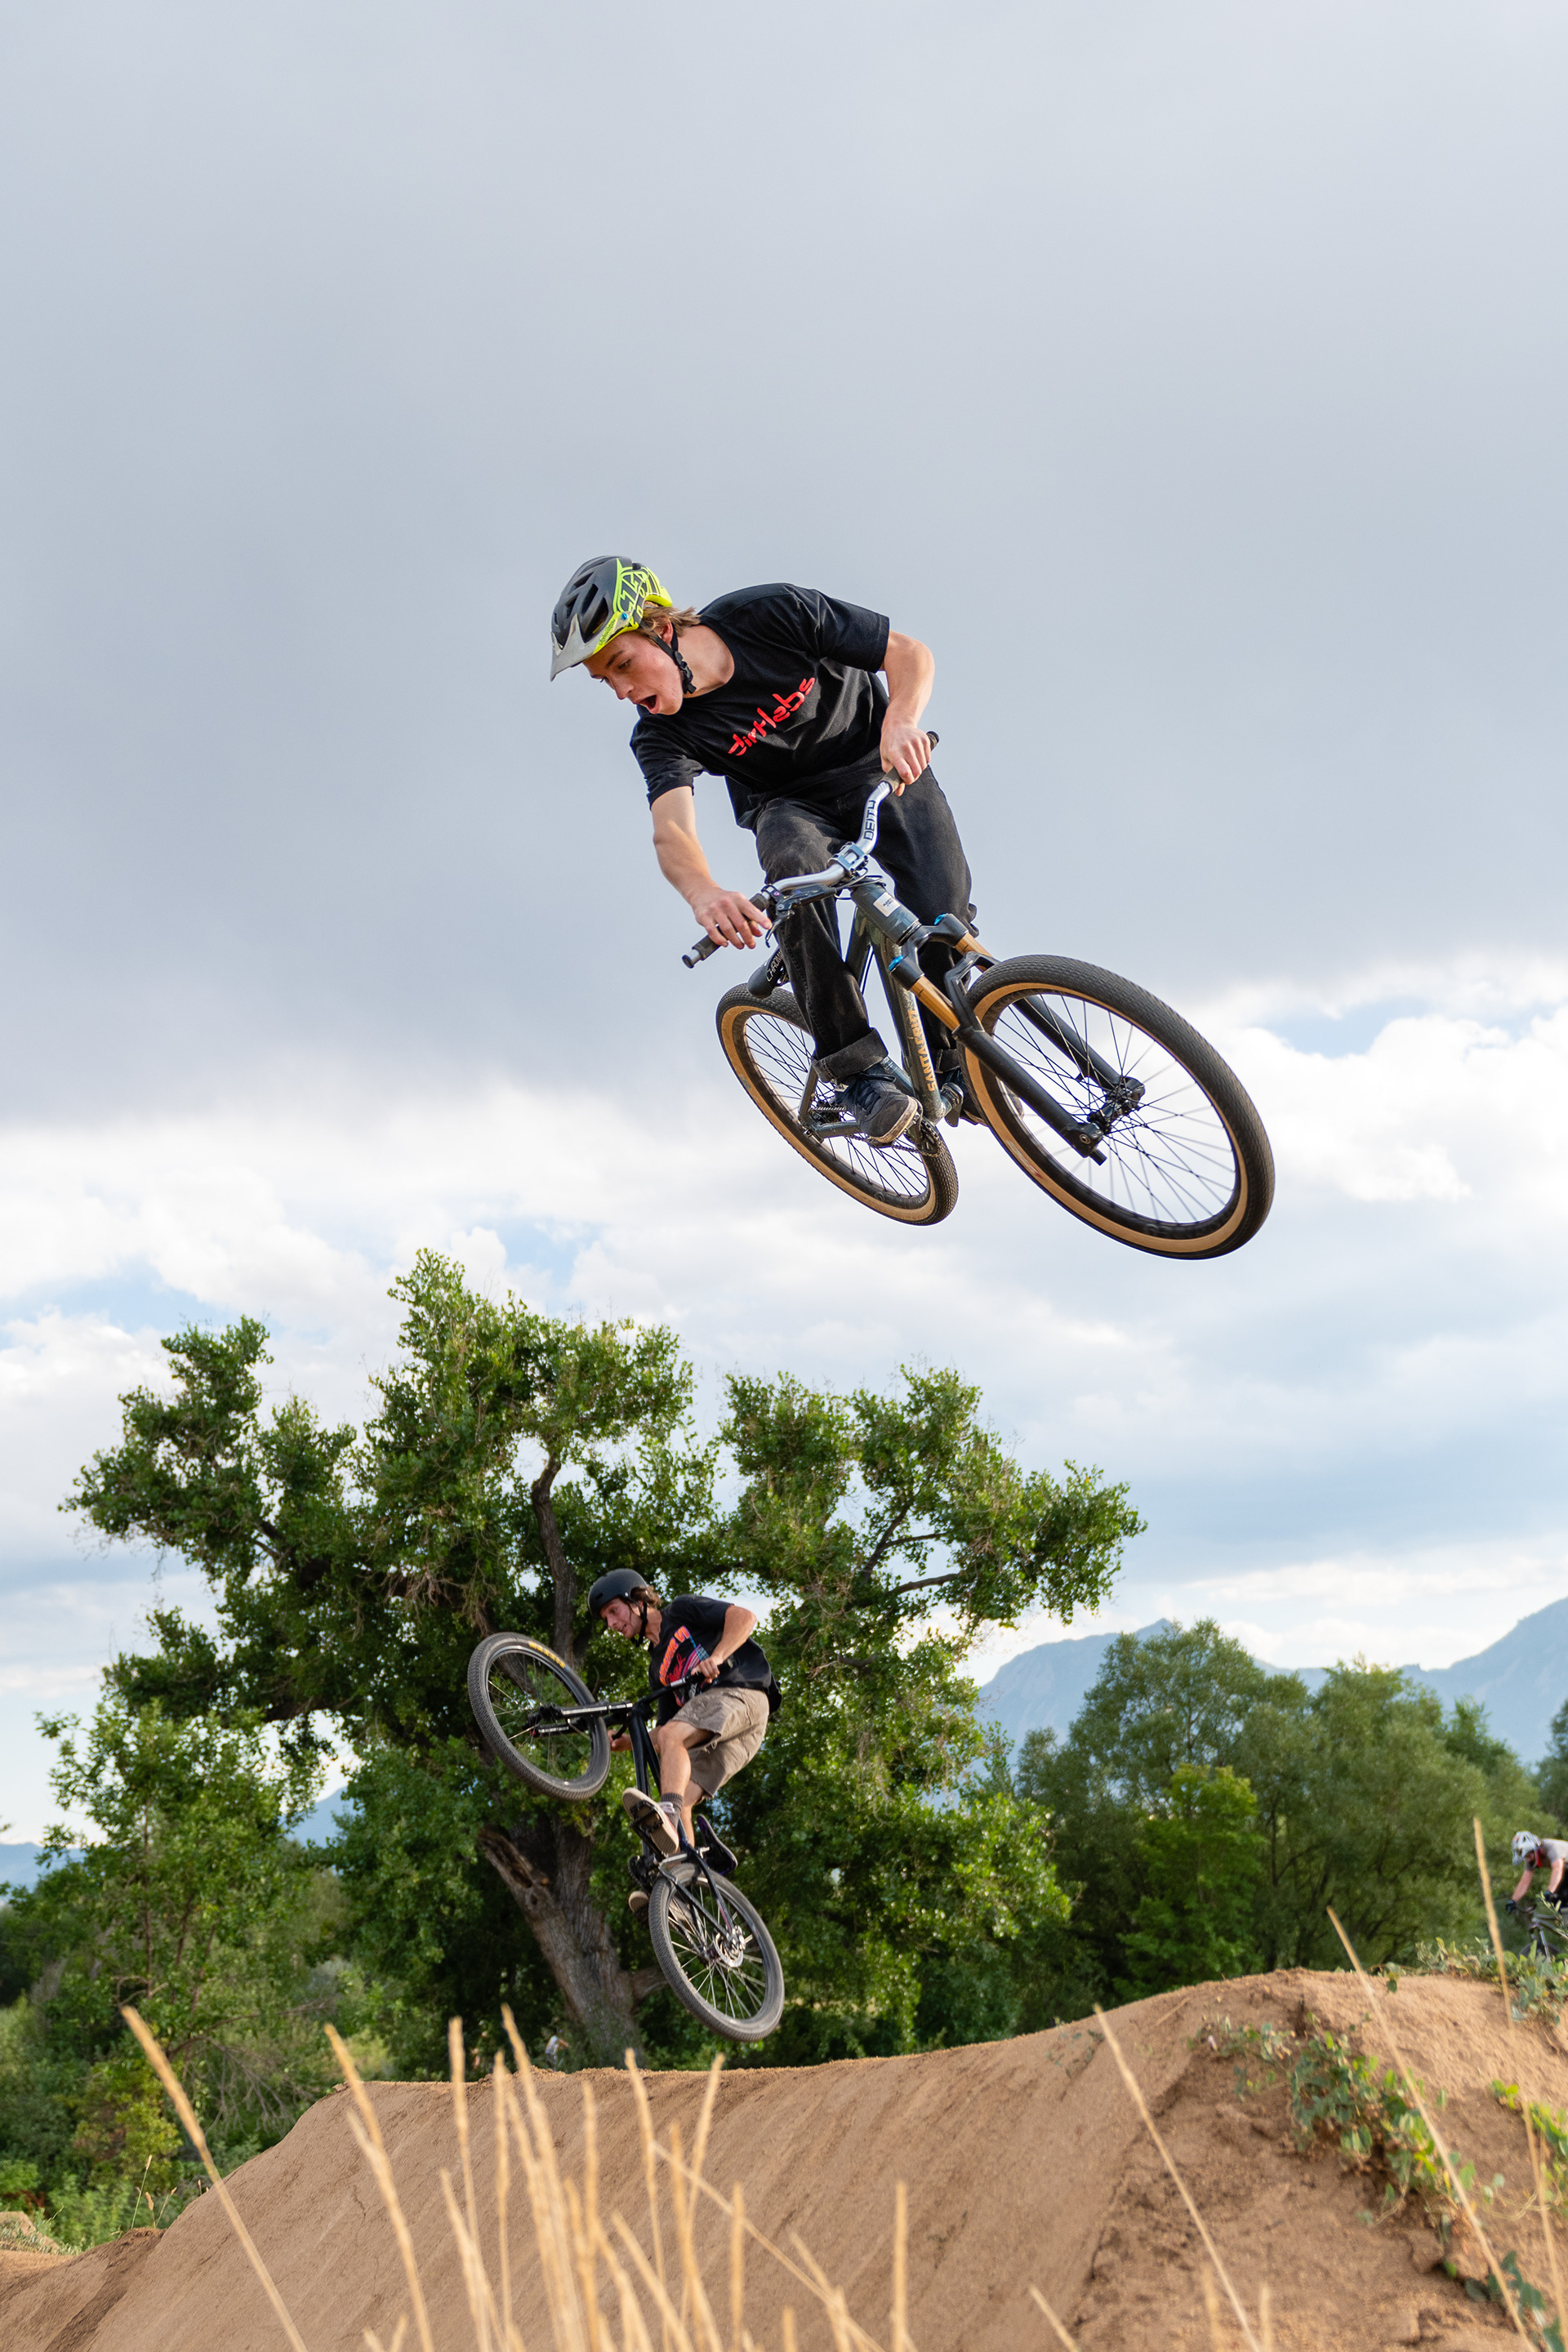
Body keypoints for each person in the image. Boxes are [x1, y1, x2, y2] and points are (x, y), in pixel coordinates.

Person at [550, 557, 978, 1148]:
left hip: (876, 761)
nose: (622, 691)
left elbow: (908, 654)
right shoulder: (660, 735)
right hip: (789, 805)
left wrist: (901, 720)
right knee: (792, 871)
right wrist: (703, 892)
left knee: (943, 914)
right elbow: (672, 831)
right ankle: (857, 1071)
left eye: (622, 664)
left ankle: (956, 1065)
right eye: (605, 681)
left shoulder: (771, 613)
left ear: (663, 629)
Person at [585, 1569, 778, 1915]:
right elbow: (665, 1734)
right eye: (606, 1619)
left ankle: (668, 1812)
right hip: (732, 1734)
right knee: (682, 1791)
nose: (611, 1624)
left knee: (670, 1782)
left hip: (741, 1692)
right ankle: (689, 1901)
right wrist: (625, 1742)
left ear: (637, 1600)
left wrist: (717, 1656)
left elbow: (745, 1617)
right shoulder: (657, 1668)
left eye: (614, 1611)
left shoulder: (681, 1611)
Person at [1507, 1829, 1568, 1912]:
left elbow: (1557, 1869)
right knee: (1557, 1902)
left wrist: (1550, 1891)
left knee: (1563, 1895)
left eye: (1529, 1856)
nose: (1528, 1860)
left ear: (1535, 1850)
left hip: (1564, 1870)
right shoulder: (1531, 1859)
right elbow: (1524, 1882)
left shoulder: (1552, 1848)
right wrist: (1514, 1901)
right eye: (1526, 1857)